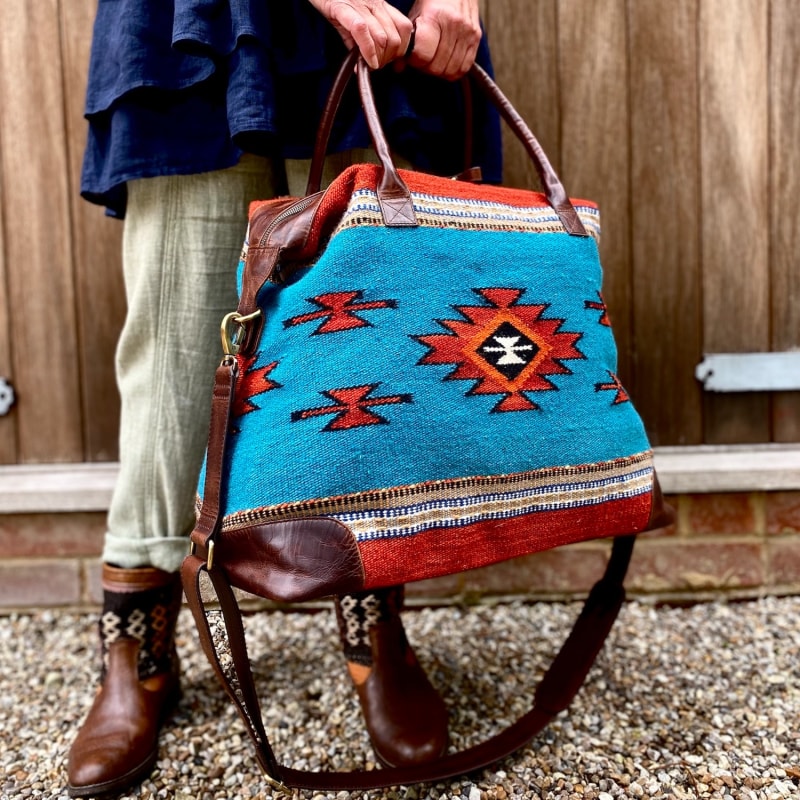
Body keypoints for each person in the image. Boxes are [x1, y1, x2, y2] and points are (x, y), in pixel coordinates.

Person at [67, 1, 502, 797]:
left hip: (386, 33)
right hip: (193, 31)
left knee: (367, 353)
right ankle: (138, 640)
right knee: (176, 350)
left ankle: (374, 618)